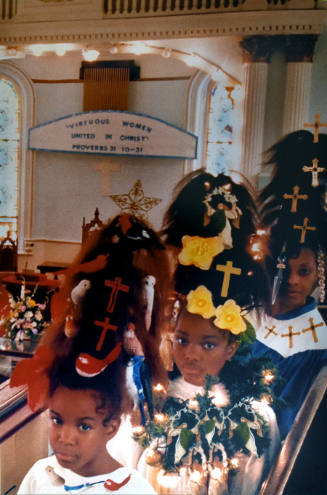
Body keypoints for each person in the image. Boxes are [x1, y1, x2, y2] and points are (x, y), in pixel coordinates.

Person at [131, 170, 281, 495]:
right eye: (182, 340)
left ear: (231, 348)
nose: (191, 354)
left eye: (209, 344)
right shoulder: (153, 399)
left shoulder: (254, 417)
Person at [10, 213, 171, 494]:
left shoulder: (135, 487)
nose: (65, 438)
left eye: (84, 427)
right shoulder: (41, 475)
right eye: (56, 420)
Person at [249, 130, 327, 440]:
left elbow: (293, 426)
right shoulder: (244, 318)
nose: (292, 281)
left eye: (304, 271)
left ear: (318, 275)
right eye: (283, 268)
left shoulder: (315, 344)